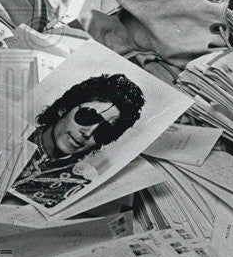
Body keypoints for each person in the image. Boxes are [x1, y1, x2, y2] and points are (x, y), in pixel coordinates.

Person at [10, 73, 145, 209]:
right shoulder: (9, 132)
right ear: (64, 108)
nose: (88, 133)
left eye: (104, 131)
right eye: (88, 116)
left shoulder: (82, 183)